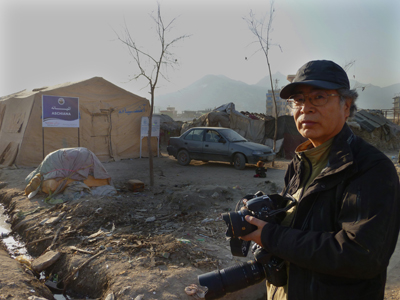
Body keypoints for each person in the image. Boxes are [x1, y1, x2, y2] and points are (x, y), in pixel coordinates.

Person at [240, 60, 400, 300]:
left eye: (319, 97)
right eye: (298, 100)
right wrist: (268, 210)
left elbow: (361, 255)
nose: (306, 108)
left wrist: (271, 236)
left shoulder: (370, 168)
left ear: (346, 106)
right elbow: (304, 218)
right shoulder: (301, 160)